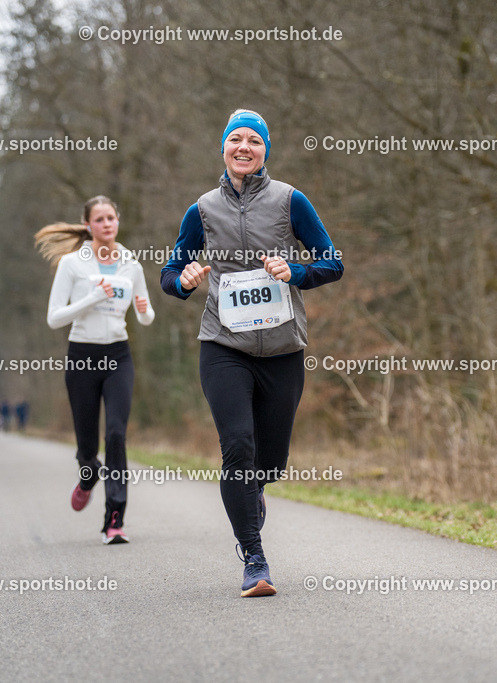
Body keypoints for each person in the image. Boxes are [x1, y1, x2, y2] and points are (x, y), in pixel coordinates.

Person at [161, 109, 343, 596]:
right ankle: (254, 557)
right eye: (235, 140)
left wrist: (297, 272)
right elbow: (170, 272)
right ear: (223, 148)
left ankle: (254, 491)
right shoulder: (200, 209)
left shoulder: (290, 200)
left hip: (282, 347)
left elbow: (332, 261)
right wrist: (183, 280)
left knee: (271, 461)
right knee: (238, 447)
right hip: (224, 346)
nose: (244, 148)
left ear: (265, 150)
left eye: (254, 142)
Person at [37, 195, 155, 544]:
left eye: (111, 218)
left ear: (118, 221)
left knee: (116, 434)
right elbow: (54, 318)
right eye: (99, 219)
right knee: (87, 445)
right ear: (88, 225)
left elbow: (145, 318)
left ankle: (114, 520)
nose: (107, 224)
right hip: (82, 357)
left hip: (119, 355)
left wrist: (145, 310)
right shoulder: (72, 265)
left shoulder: (132, 265)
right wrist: (92, 298)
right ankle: (88, 475)